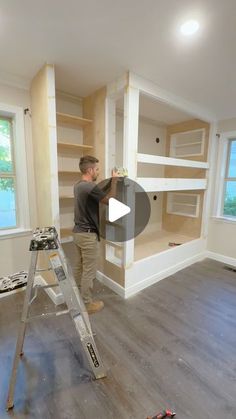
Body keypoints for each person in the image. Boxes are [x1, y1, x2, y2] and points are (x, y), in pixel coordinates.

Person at [73, 155, 119, 314]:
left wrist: (107, 183)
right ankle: (87, 304)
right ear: (90, 170)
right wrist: (114, 181)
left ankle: (77, 297)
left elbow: (98, 194)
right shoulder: (89, 187)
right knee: (89, 271)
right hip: (87, 236)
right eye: (97, 169)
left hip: (78, 233)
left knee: (79, 268)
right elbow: (111, 199)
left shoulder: (79, 185)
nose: (98, 172)